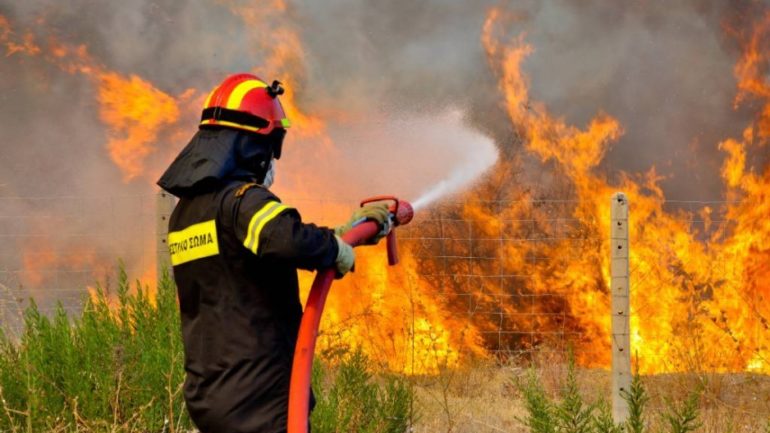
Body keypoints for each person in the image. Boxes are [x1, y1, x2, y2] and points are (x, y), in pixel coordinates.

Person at [157, 73, 390, 433]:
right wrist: (334, 249)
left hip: (211, 394)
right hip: (259, 393)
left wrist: (339, 235)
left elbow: (254, 250)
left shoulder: (185, 214)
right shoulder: (242, 201)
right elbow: (286, 239)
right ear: (253, 146)